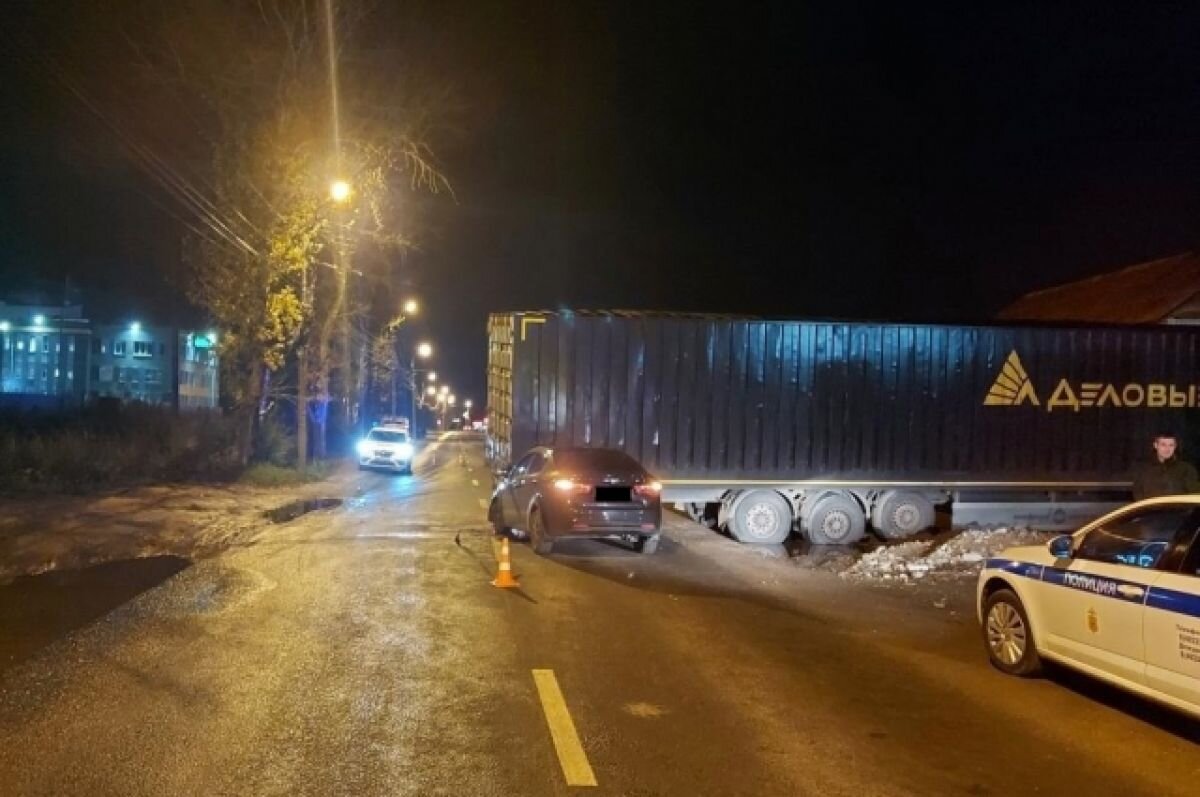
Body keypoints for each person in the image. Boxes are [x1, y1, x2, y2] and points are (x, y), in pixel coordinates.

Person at [1131, 432, 1200, 501]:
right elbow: (1138, 495)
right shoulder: (1143, 470)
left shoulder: (1186, 469)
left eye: (1171, 445)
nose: (1167, 449)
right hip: (1151, 511)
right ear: (1155, 445)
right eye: (1163, 445)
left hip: (1179, 511)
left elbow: (1193, 495)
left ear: (1175, 446)